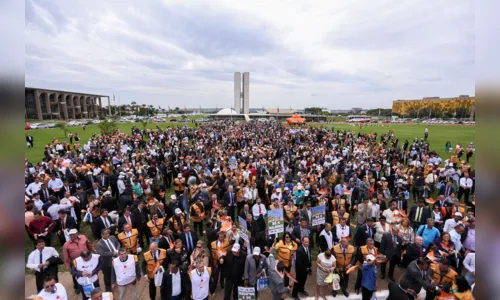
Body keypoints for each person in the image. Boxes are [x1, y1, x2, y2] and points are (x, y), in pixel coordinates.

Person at [63, 229, 96, 295]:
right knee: (76, 274)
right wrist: (67, 265)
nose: (71, 236)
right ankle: (77, 287)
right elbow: (66, 256)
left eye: (73, 234)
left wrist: (94, 250)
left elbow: (89, 245)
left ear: (77, 234)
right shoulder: (66, 244)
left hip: (86, 259)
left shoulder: (83, 237)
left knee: (88, 271)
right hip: (75, 263)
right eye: (70, 235)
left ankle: (91, 283)